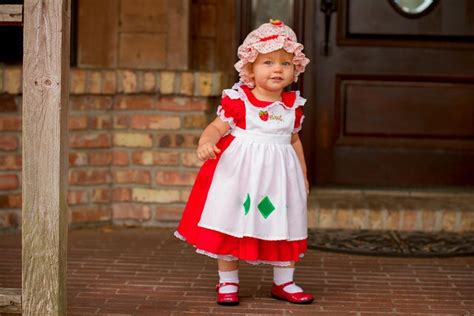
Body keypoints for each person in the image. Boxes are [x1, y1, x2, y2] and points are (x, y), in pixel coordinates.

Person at [174, 19, 313, 306]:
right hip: (241, 178)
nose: (277, 69)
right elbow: (216, 128)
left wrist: (303, 174)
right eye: (268, 62)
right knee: (232, 222)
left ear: (295, 69)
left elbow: (294, 141)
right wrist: (206, 141)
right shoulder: (239, 101)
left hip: (279, 181)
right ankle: (228, 282)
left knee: (284, 222)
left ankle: (284, 282)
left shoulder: (293, 107)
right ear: (250, 68)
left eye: (285, 63)